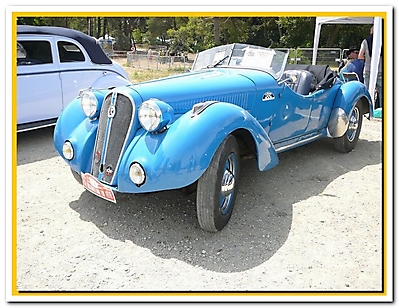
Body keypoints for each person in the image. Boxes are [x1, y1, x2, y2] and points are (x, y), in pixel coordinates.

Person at [358, 25, 383, 109]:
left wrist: (367, 59)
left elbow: (360, 56)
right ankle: (381, 109)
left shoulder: (365, 41)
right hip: (380, 70)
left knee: (368, 91)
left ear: (371, 31)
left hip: (368, 68)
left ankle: (368, 109)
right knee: (382, 92)